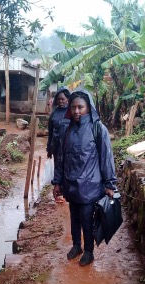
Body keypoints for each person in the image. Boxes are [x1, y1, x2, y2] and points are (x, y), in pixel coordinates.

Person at [52, 90, 117, 266]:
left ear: (89, 107)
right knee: (74, 217)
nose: (76, 111)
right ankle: (76, 246)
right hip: (70, 183)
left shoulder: (98, 129)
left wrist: (110, 184)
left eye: (80, 107)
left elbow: (106, 157)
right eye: (73, 107)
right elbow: (61, 158)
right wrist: (57, 182)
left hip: (90, 184)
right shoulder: (68, 129)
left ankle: (89, 251)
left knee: (87, 218)